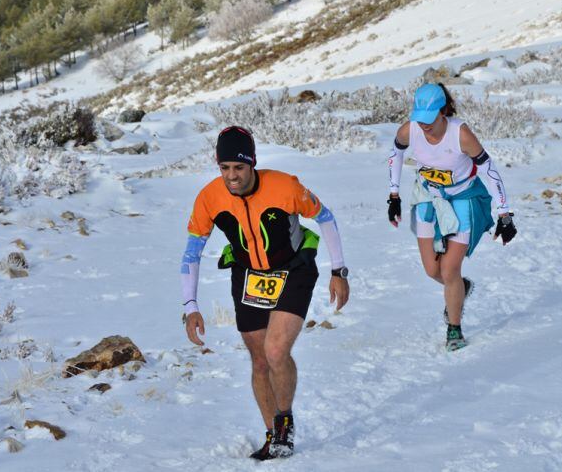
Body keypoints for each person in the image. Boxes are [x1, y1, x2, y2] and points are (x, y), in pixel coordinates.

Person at [180, 125, 350, 460]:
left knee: (275, 351)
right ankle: (272, 434)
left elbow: (325, 218)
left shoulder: (285, 186)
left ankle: (284, 423)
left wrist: (338, 271)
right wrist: (191, 305)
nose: (232, 177)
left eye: (239, 168)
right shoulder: (209, 198)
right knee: (259, 362)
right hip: (248, 275)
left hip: (293, 269)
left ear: (252, 164)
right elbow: (191, 253)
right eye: (225, 168)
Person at [387, 83, 517, 351]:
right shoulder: (409, 129)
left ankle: (454, 329)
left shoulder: (462, 135)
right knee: (432, 270)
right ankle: (460, 288)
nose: (423, 125)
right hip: (427, 197)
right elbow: (396, 153)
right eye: (419, 117)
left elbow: (489, 172)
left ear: (443, 111)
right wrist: (394, 195)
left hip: (463, 199)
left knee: (449, 270)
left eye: (429, 118)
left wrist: (505, 213)